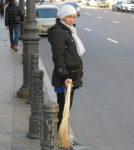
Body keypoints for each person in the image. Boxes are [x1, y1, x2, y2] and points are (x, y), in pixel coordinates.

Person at [48, 5, 85, 149]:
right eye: (69, 17)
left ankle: (63, 136)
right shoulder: (59, 32)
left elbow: (73, 54)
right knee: (64, 108)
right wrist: (64, 75)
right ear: (62, 16)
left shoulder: (69, 30)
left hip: (72, 76)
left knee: (66, 109)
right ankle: (61, 138)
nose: (71, 19)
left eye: (74, 17)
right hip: (66, 78)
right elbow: (58, 56)